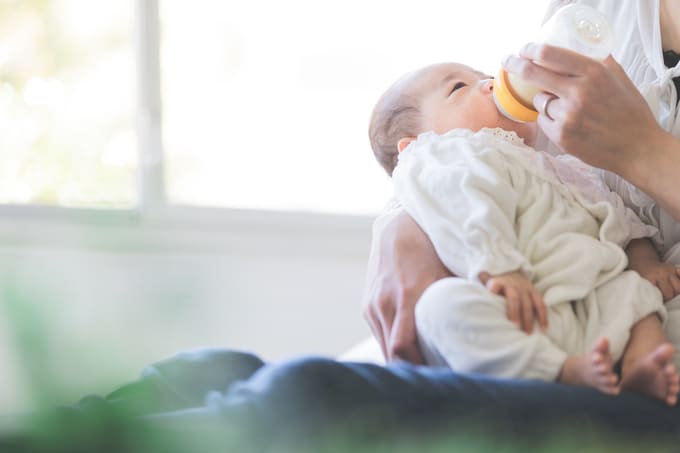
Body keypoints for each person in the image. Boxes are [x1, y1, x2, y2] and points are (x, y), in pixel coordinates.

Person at [363, 0, 680, 374]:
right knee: (444, 308)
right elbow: (462, 198)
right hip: (519, 301)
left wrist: (642, 152)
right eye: (460, 87)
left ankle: (646, 372)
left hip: (602, 297)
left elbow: (617, 218)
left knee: (638, 300)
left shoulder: (566, 172)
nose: (489, 84)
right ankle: (557, 370)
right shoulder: (583, 12)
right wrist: (402, 223)